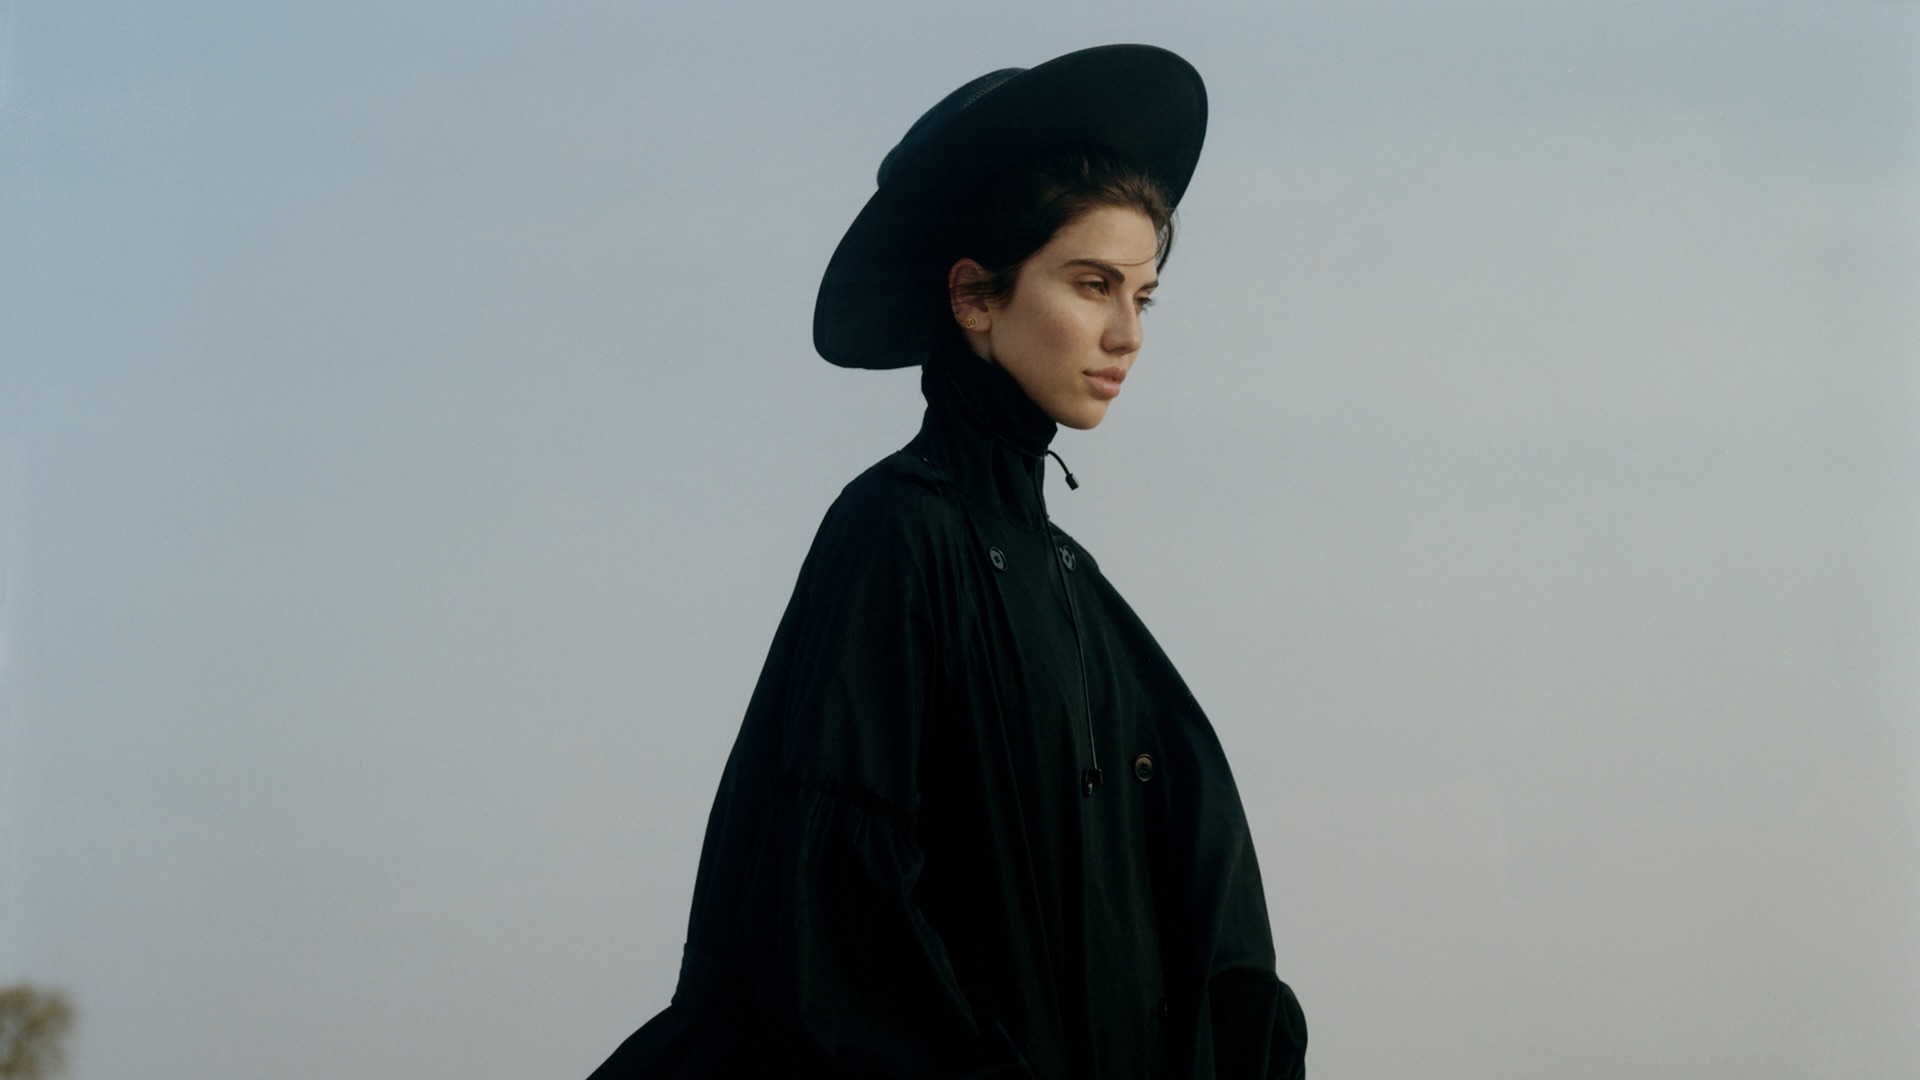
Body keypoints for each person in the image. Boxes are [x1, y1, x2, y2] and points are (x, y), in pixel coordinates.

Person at [589, 44, 1306, 1080]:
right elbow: (836, 928)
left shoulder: (1082, 593)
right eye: (1092, 283)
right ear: (975, 296)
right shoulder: (893, 535)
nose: (1125, 333)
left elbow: (1213, 945)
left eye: (1144, 297)